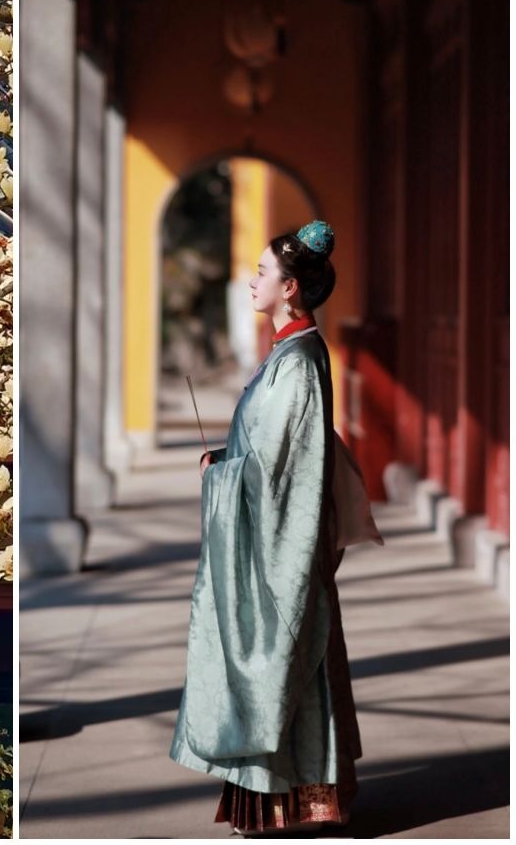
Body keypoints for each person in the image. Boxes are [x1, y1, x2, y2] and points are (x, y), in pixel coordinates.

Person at [168, 220, 379, 836]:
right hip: (270, 538)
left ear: (290, 288)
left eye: (262, 273)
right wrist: (227, 465)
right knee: (281, 670)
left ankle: (290, 809)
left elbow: (286, 472)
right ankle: (276, 806)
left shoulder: (303, 359)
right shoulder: (288, 353)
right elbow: (266, 456)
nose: (252, 280)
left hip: (282, 546)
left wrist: (223, 480)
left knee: (284, 665)